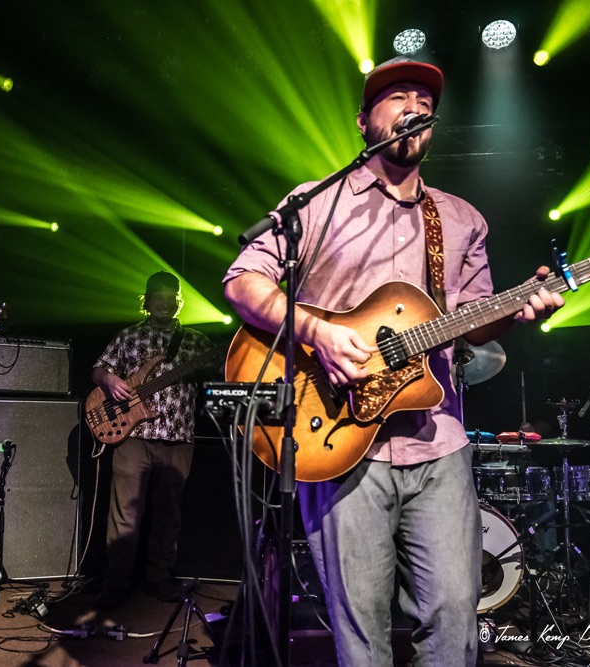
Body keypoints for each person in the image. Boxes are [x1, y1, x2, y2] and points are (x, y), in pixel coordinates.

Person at [223, 57, 565, 665]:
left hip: (438, 442)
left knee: (456, 619)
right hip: (334, 437)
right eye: (395, 96)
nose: (413, 105)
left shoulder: (460, 219)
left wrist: (516, 309)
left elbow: (473, 317)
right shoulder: (316, 201)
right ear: (364, 121)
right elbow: (244, 282)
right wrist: (319, 334)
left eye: (422, 99)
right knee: (361, 627)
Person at [91, 271, 214, 608]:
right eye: (158, 296)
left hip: (178, 437)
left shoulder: (196, 341)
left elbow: (221, 369)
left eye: (171, 296)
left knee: (168, 514)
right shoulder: (128, 336)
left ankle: (159, 578)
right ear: (146, 301)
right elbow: (99, 369)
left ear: (179, 301)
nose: (165, 301)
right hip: (133, 436)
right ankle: (117, 582)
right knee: (125, 514)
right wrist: (109, 380)